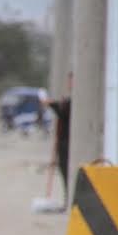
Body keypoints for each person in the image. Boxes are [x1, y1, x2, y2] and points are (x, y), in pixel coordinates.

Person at [43, 72, 72, 200]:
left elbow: (64, 113)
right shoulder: (68, 99)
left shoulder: (77, 100)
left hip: (69, 141)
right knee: (63, 169)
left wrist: (52, 105)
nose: (70, 83)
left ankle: (69, 198)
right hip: (62, 140)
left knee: (67, 170)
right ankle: (68, 197)